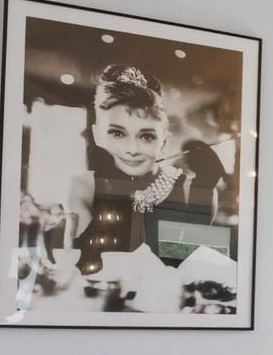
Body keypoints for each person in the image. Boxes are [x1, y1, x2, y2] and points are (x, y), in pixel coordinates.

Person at [65, 63, 232, 283]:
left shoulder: (190, 188)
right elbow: (74, 268)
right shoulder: (84, 187)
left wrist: (204, 190)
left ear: (164, 139)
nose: (132, 149)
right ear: (98, 134)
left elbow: (194, 272)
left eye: (146, 136)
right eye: (117, 133)